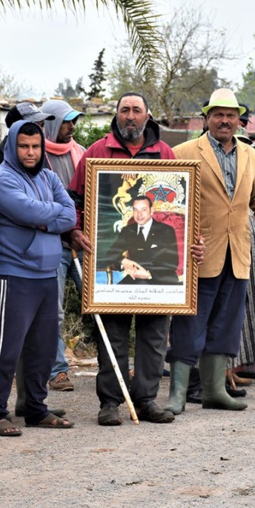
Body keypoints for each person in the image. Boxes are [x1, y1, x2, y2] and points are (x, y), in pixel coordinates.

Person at [66, 93, 179, 426]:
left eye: (136, 110)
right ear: (116, 115)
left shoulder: (165, 153)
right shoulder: (96, 152)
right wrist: (74, 230)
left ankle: (145, 400)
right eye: (124, 110)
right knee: (112, 335)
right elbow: (73, 200)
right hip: (116, 277)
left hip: (157, 281)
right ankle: (111, 402)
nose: (130, 116)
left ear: (147, 116)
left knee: (154, 337)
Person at [168, 88, 255, 411]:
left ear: (239, 120)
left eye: (231, 115)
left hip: (238, 252)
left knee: (227, 324)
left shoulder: (250, 154)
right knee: (190, 324)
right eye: (218, 115)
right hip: (198, 252)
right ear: (207, 118)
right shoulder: (183, 152)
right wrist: (183, 238)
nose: (225, 121)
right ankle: (177, 394)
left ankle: (214, 391)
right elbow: (169, 203)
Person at [0, 121, 77, 434]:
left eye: (36, 146)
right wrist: (47, 216)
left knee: (43, 349)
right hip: (12, 274)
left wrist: (45, 218)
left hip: (47, 274)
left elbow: (69, 215)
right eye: (24, 146)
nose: (31, 152)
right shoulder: (1, 179)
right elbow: (31, 212)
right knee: (6, 349)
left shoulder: (49, 177)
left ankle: (36, 409)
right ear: (13, 146)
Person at [40, 99, 88, 392]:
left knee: (103, 305)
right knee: (53, 311)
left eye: (73, 121)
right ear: (52, 122)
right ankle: (57, 370)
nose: (71, 126)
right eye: (66, 121)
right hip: (54, 244)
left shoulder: (81, 153)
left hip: (83, 243)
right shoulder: (37, 155)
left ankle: (116, 366)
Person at [0, 102, 54, 194]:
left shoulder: (39, 158)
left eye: (42, 125)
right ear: (14, 128)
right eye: (33, 126)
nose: (39, 130)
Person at [105, 196, 179, 285]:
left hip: (161, 279)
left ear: (151, 210)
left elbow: (172, 262)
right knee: (114, 292)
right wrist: (123, 262)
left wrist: (148, 274)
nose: (139, 214)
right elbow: (110, 254)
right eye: (135, 210)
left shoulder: (166, 230)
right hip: (135, 278)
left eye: (143, 210)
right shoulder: (128, 231)